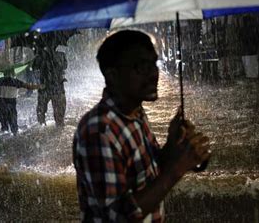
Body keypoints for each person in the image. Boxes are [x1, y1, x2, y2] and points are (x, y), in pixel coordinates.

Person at [73, 30, 211, 222]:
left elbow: (145, 176)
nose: (154, 74)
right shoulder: (99, 130)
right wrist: (176, 169)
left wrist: (172, 149)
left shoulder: (135, 114)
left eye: (154, 63)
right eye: (141, 67)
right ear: (112, 75)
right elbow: (118, 216)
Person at [0, 69, 41, 135]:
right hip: (11, 106)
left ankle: (5, 135)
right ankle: (14, 135)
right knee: (13, 125)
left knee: (4, 126)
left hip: (1, 106)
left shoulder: (0, 80)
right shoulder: (15, 82)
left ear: (4, 74)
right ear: (13, 74)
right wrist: (39, 86)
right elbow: (29, 87)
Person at [33, 43, 67, 128]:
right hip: (57, 88)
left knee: (41, 114)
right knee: (59, 118)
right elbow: (65, 66)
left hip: (45, 88)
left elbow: (34, 67)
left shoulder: (40, 56)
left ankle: (43, 128)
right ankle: (58, 129)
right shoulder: (61, 55)